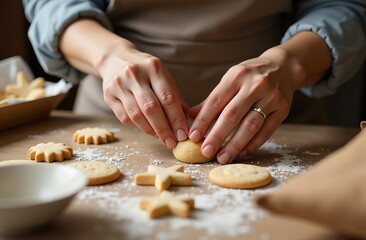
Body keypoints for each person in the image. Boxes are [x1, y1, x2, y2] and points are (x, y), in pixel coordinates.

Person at [23, 0, 366, 164]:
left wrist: (288, 63)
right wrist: (108, 55)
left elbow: (345, 8)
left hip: (282, 127)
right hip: (111, 127)